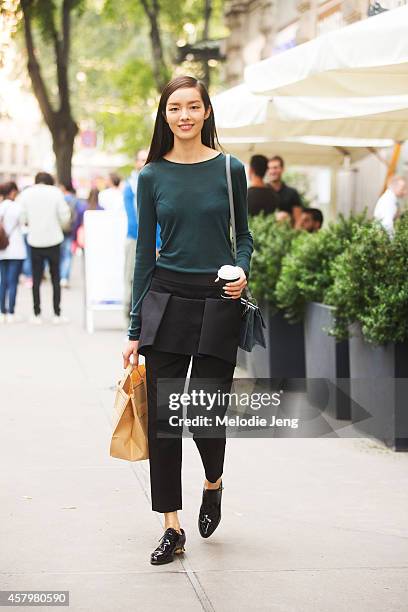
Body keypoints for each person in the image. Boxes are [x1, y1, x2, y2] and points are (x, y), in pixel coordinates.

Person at [122, 75, 253, 566]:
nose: (183, 116)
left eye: (192, 107)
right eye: (174, 108)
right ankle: (171, 526)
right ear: (165, 116)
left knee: (205, 416)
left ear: (206, 113)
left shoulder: (230, 169)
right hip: (167, 302)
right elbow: (143, 256)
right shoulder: (152, 175)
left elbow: (245, 238)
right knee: (164, 421)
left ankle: (213, 482)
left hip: (220, 302)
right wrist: (136, 328)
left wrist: (241, 271)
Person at [18, 172, 71, 324]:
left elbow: (22, 216)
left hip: (35, 240)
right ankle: (57, 313)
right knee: (55, 278)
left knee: (36, 278)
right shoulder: (56, 192)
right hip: (54, 240)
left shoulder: (27, 193)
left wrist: (30, 224)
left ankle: (36, 313)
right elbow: (65, 215)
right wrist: (58, 226)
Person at [123, 150, 161, 325]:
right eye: (140, 159)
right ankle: (132, 320)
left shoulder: (157, 181)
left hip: (159, 241)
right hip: (136, 238)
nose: (143, 162)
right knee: (134, 277)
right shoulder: (130, 186)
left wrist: (158, 242)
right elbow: (133, 219)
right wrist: (147, 244)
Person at [0, 181, 26, 323]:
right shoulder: (18, 207)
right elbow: (25, 223)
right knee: (13, 281)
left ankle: (1, 312)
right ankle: (11, 311)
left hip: (1, 249)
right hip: (16, 248)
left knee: (2, 281)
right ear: (12, 192)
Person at [267, 156, 303, 226]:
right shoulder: (262, 192)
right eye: (269, 168)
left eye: (275, 168)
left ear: (282, 169)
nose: (272, 171)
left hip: (287, 234)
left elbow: (298, 220)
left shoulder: (292, 193)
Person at [59, 182, 78, 288]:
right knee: (67, 255)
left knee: (61, 255)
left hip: (60, 230)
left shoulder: (60, 199)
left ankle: (60, 276)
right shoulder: (75, 200)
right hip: (70, 231)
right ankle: (64, 278)